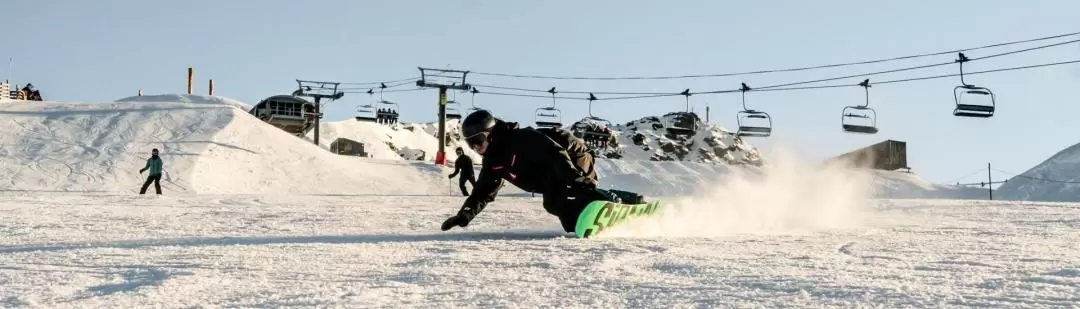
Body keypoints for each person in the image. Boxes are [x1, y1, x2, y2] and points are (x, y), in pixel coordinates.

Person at [440, 109, 646, 234]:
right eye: (470, 144)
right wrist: (465, 215)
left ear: (490, 134)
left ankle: (628, 202)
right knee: (565, 212)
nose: (476, 148)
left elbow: (554, 153)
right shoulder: (493, 161)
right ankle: (603, 214)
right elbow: (483, 191)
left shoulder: (519, 139)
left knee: (570, 195)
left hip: (571, 156)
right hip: (551, 174)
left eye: (478, 141)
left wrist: (575, 178)